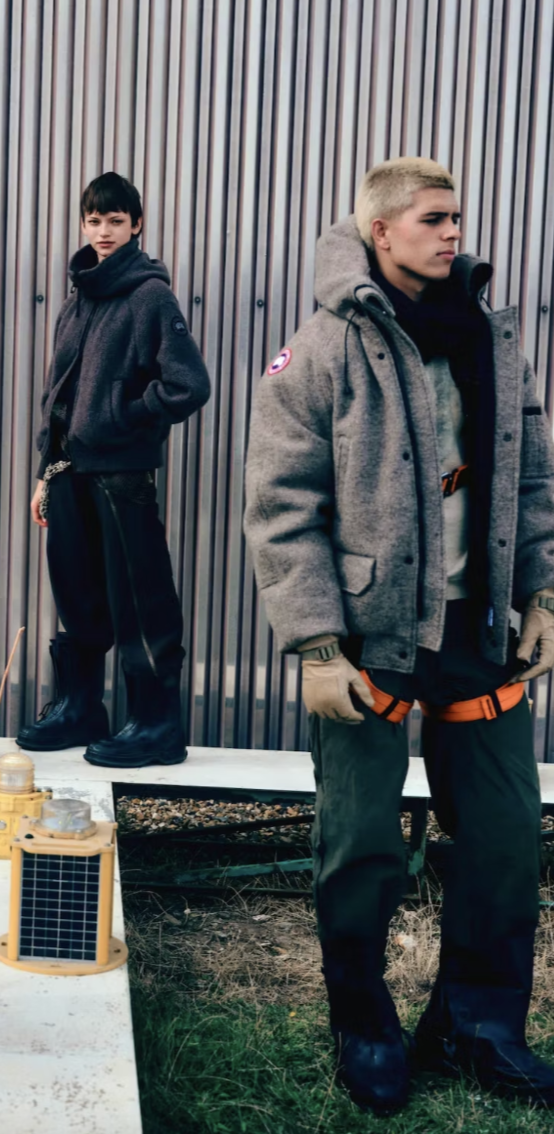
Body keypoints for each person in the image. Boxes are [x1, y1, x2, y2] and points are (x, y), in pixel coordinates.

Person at [244, 156, 554, 1115]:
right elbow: (280, 504)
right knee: (363, 843)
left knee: (504, 836)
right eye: (432, 218)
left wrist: (543, 593)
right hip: (368, 641)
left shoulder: (494, 339)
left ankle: (483, 1023)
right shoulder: (327, 344)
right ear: (382, 231)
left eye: (459, 216)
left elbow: (532, 473)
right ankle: (364, 1024)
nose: (453, 231)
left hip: (478, 631)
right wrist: (314, 646)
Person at [18, 171, 210, 767]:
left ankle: (156, 725)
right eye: (94, 220)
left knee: (139, 601)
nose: (103, 231)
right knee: (76, 597)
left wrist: (123, 416)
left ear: (137, 225)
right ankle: (80, 708)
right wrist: (45, 474)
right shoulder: (80, 300)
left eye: (116, 221)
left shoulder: (150, 295)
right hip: (71, 474)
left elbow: (188, 384)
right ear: (83, 224)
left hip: (122, 477)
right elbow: (60, 395)